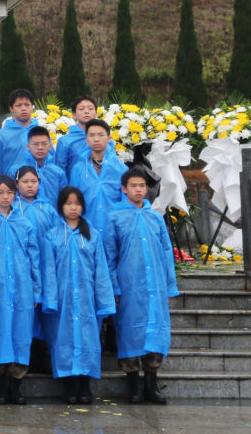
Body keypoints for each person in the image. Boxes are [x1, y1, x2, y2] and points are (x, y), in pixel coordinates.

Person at [104, 167, 179, 405]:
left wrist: (168, 286)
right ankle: (133, 385)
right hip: (129, 286)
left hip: (155, 286)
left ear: (147, 189)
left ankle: (151, 384)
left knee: (156, 331)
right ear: (124, 189)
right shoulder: (115, 217)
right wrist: (114, 288)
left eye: (142, 186)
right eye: (133, 186)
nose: (138, 190)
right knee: (129, 332)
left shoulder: (155, 217)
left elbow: (167, 252)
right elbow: (109, 256)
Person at [41, 186, 116, 405]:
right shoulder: (52, 236)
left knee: (88, 339)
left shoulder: (92, 235)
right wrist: (51, 300)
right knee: (62, 341)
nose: (73, 208)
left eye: (77, 203)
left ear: (83, 206)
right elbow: (48, 271)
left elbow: (101, 270)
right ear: (61, 206)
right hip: (62, 299)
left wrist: (104, 299)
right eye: (68, 203)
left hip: (86, 299)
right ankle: (68, 387)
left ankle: (85, 386)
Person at [0, 175, 42, 405]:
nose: (5, 197)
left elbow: (34, 258)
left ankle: (16, 384)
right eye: (0, 192)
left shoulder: (24, 223)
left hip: (22, 287)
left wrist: (36, 290)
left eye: (10, 192)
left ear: (15, 194)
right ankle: (1, 385)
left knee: (20, 334)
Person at [68, 119, 127, 233]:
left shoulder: (121, 169)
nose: (96, 139)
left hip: (114, 230)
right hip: (86, 230)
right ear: (86, 139)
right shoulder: (78, 169)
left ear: (109, 138)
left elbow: (126, 202)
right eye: (92, 135)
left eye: (101, 135)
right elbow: (73, 200)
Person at [5, 126, 67, 205]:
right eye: (35, 144)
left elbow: (64, 201)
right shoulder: (15, 171)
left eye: (44, 144)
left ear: (50, 147)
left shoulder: (58, 173)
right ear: (28, 147)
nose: (40, 147)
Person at [0, 90, 37, 174]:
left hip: (38, 181)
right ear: (11, 108)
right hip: (10, 180)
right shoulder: (1, 135)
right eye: (18, 105)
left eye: (27, 105)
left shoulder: (40, 132)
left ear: (32, 107)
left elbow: (50, 160)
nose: (23, 108)